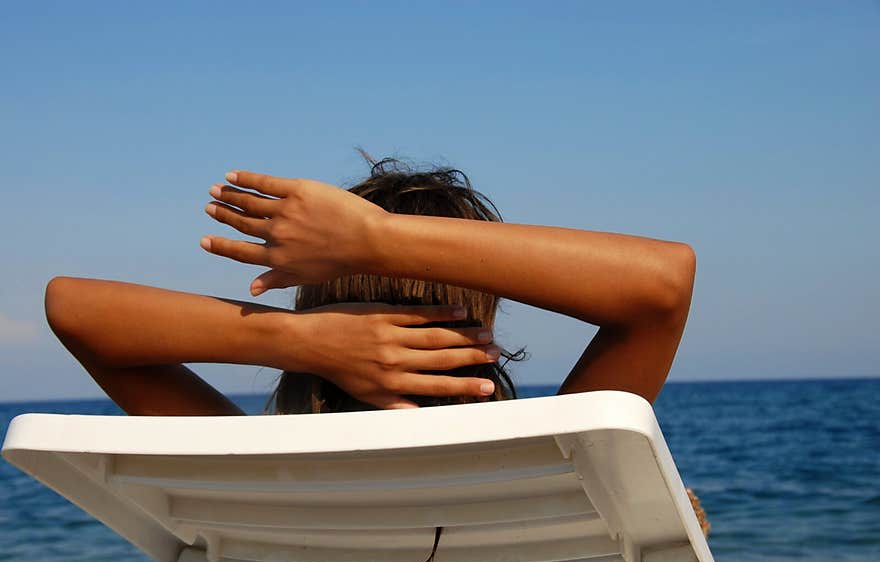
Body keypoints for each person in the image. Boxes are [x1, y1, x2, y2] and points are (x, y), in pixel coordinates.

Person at [44, 155, 709, 534]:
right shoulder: (563, 476)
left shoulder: (262, 492)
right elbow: (662, 286)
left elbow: (72, 310)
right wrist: (378, 239)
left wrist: (298, 339)